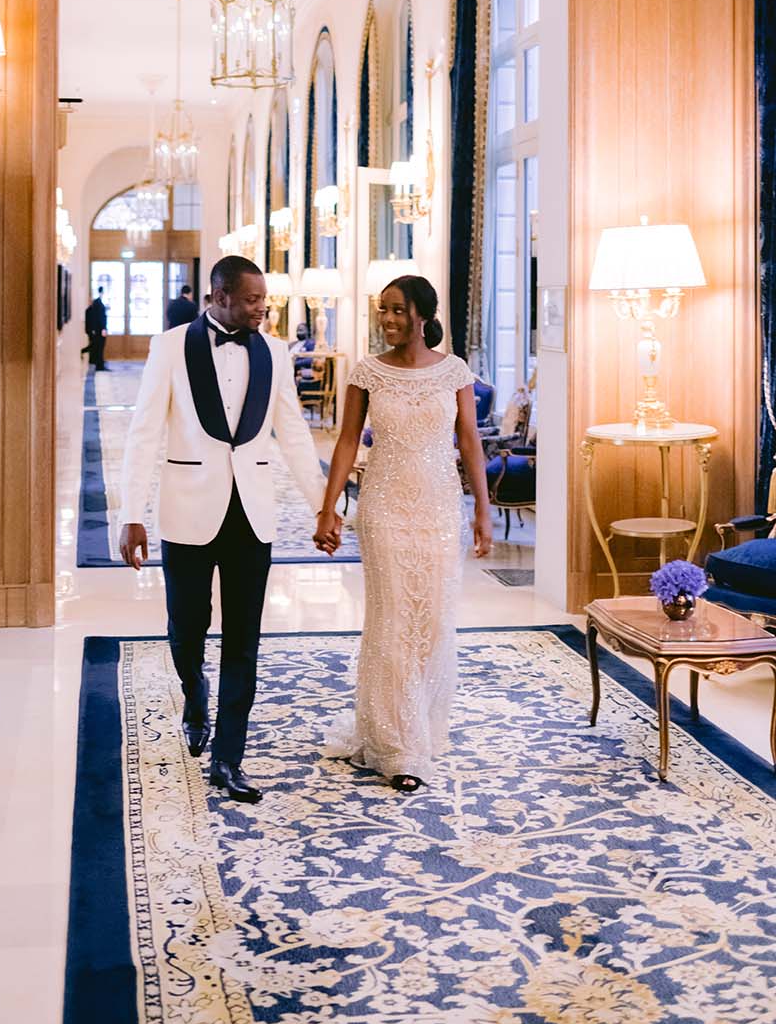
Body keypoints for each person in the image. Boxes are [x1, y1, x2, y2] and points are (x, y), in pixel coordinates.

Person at [120, 256, 340, 804]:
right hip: (188, 511)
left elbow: (291, 432)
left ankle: (228, 758)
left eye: (264, 298)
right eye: (251, 299)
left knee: (244, 641)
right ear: (218, 297)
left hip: (253, 515)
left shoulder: (272, 351)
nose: (262, 307)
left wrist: (323, 508)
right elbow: (144, 433)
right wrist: (131, 513)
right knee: (185, 629)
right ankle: (195, 697)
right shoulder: (170, 347)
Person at [315, 275, 491, 794]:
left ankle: (422, 724)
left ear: (423, 314)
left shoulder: (454, 372)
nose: (387, 319)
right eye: (382, 310)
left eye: (397, 310)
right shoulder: (367, 372)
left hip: (439, 509)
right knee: (393, 619)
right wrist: (330, 510)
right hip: (385, 508)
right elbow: (347, 442)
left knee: (433, 620)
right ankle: (397, 745)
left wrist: (482, 509)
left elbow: (470, 443)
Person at [83, 286, 108, 371]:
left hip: (99, 329)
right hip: (99, 330)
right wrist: (102, 329)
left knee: (98, 347)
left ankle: (100, 364)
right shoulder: (97, 303)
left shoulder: (98, 302)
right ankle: (99, 365)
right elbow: (97, 318)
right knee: (98, 347)